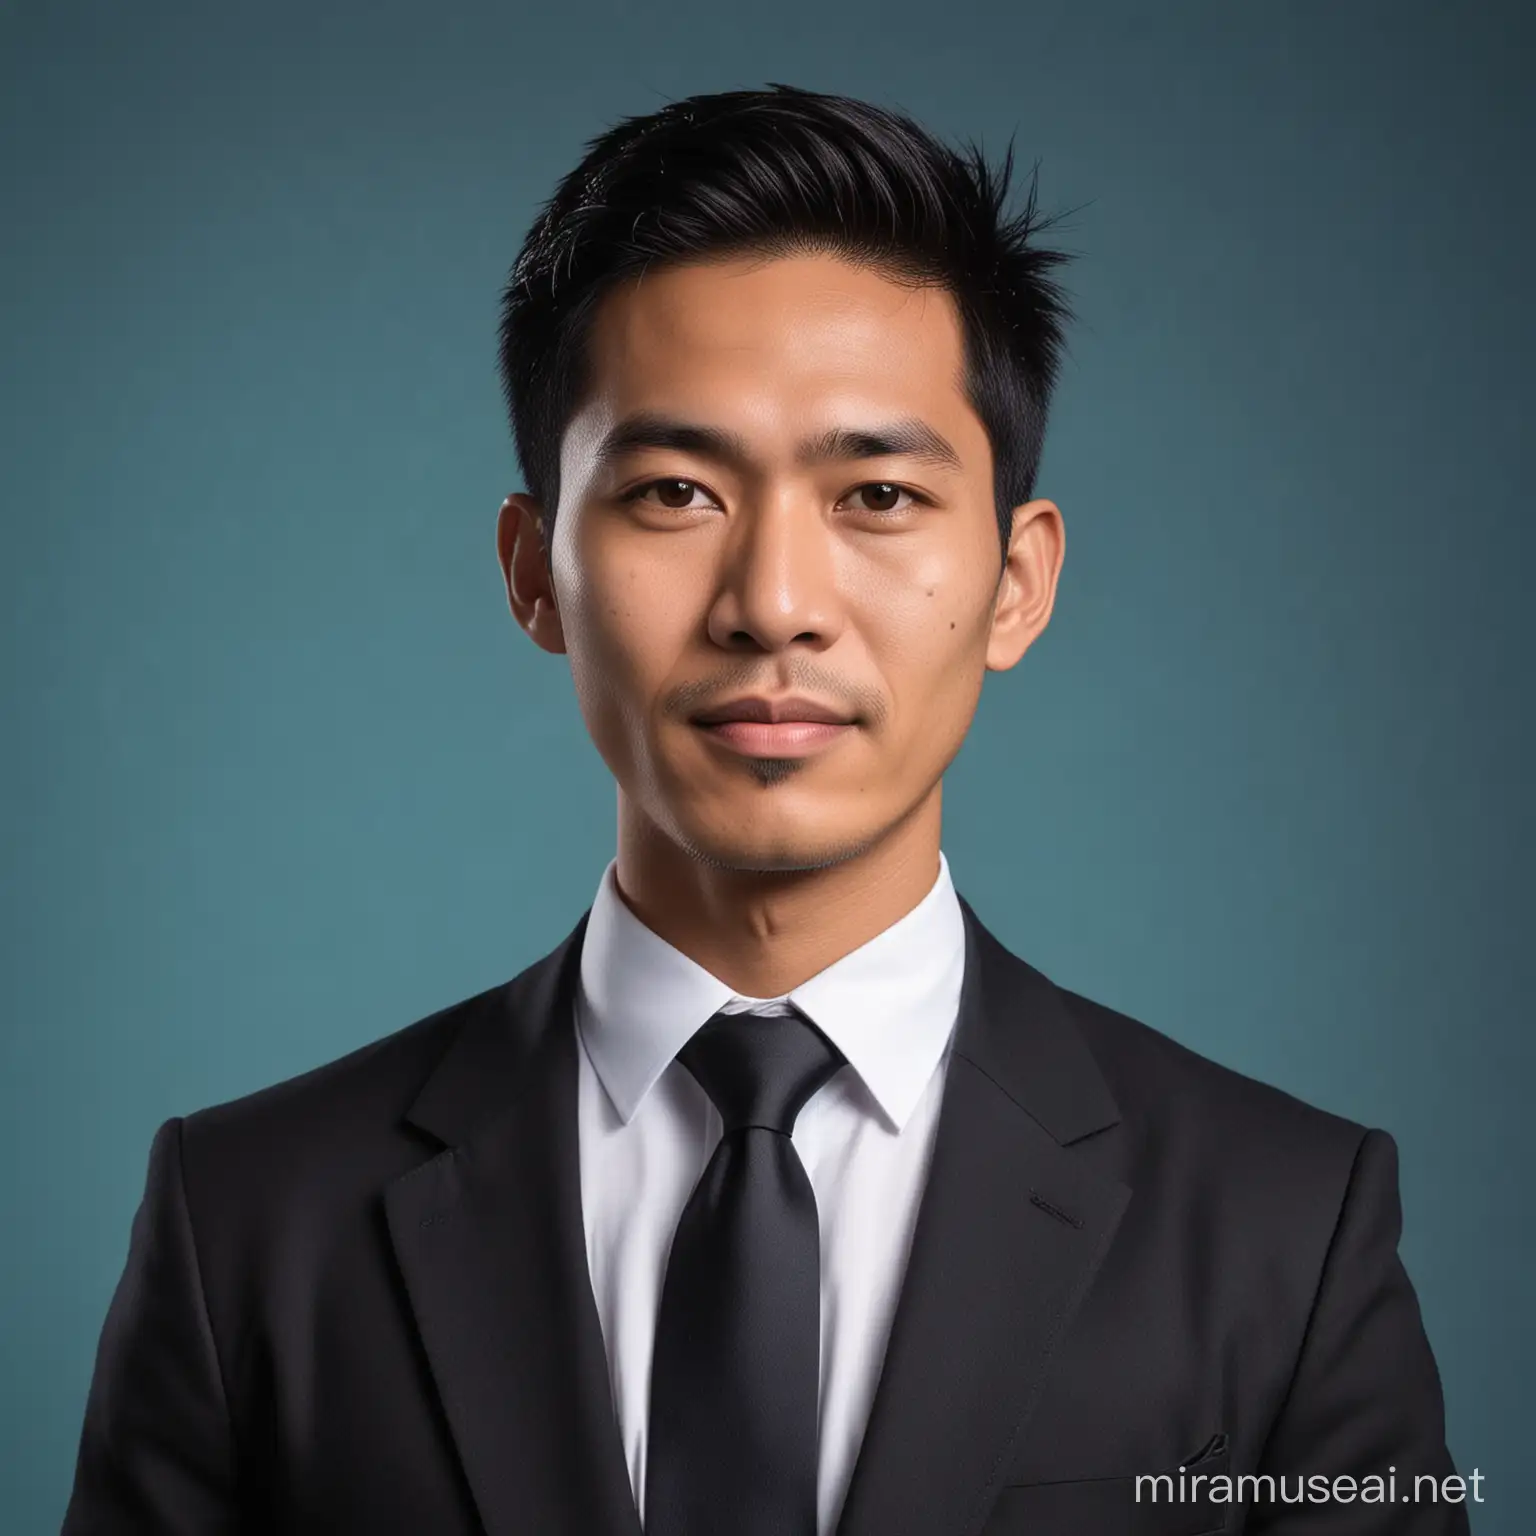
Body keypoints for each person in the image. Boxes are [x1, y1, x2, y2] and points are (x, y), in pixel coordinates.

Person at [63, 85, 1469, 1535]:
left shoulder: (1285, 1234)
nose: (775, 607)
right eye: (675, 491)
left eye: (876, 496)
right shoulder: (248, 1226)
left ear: (1017, 580)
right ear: (533, 570)